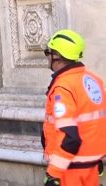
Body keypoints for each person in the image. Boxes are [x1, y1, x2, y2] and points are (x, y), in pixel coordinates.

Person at [42, 29, 106, 186]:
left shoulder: (64, 87)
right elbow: (97, 123)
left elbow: (69, 139)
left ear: (57, 56)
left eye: (48, 52)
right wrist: (97, 157)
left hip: (70, 171)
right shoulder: (94, 81)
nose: (47, 57)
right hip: (91, 168)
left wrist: (53, 174)